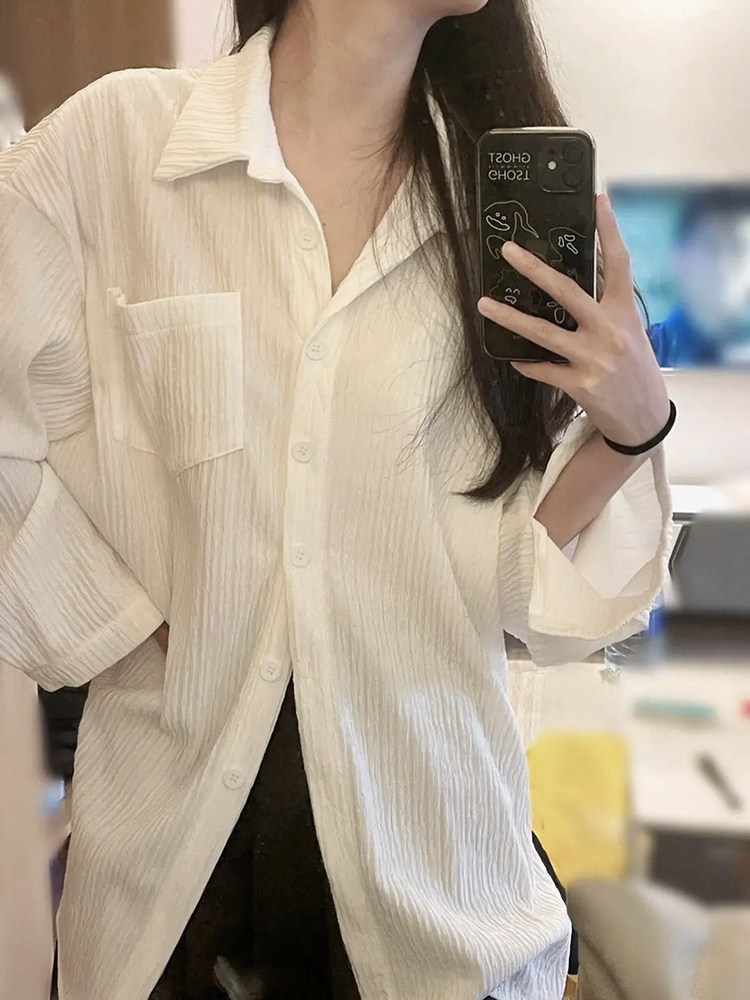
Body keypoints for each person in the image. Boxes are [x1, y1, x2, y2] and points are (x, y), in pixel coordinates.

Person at [0, 2, 674, 998]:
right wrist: (111, 615)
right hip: (163, 898)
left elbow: (502, 591)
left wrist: (632, 429)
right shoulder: (118, 150)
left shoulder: (491, 212)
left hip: (441, 905)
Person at [649, 188, 750, 367]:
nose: (722, 263)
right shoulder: (646, 350)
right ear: (680, 257)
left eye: (737, 247)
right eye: (710, 246)